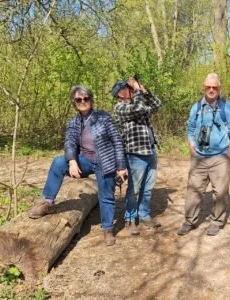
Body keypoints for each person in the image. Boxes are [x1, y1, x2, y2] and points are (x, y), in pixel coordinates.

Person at [28, 85, 127, 247]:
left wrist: (121, 166)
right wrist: (72, 161)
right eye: (78, 100)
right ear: (74, 103)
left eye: (86, 98)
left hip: (106, 161)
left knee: (106, 196)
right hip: (85, 161)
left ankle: (108, 229)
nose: (83, 102)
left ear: (91, 100)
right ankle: (47, 202)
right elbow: (70, 142)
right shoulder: (74, 122)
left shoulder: (103, 117)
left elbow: (117, 140)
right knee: (58, 163)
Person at [177, 73, 230, 236]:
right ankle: (189, 221)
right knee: (193, 190)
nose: (211, 90)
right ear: (204, 87)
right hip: (199, 156)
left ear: (219, 88)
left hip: (220, 157)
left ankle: (216, 222)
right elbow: (190, 129)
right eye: (208, 87)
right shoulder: (196, 107)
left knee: (220, 192)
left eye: (215, 87)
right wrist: (192, 148)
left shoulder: (227, 107)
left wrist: (229, 154)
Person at [112, 77, 162, 235]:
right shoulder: (120, 108)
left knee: (147, 188)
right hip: (135, 154)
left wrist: (144, 91)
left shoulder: (139, 101)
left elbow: (157, 105)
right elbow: (139, 109)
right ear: (121, 93)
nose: (133, 90)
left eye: (132, 88)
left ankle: (144, 214)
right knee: (134, 190)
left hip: (150, 150)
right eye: (130, 88)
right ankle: (129, 219)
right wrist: (138, 90)